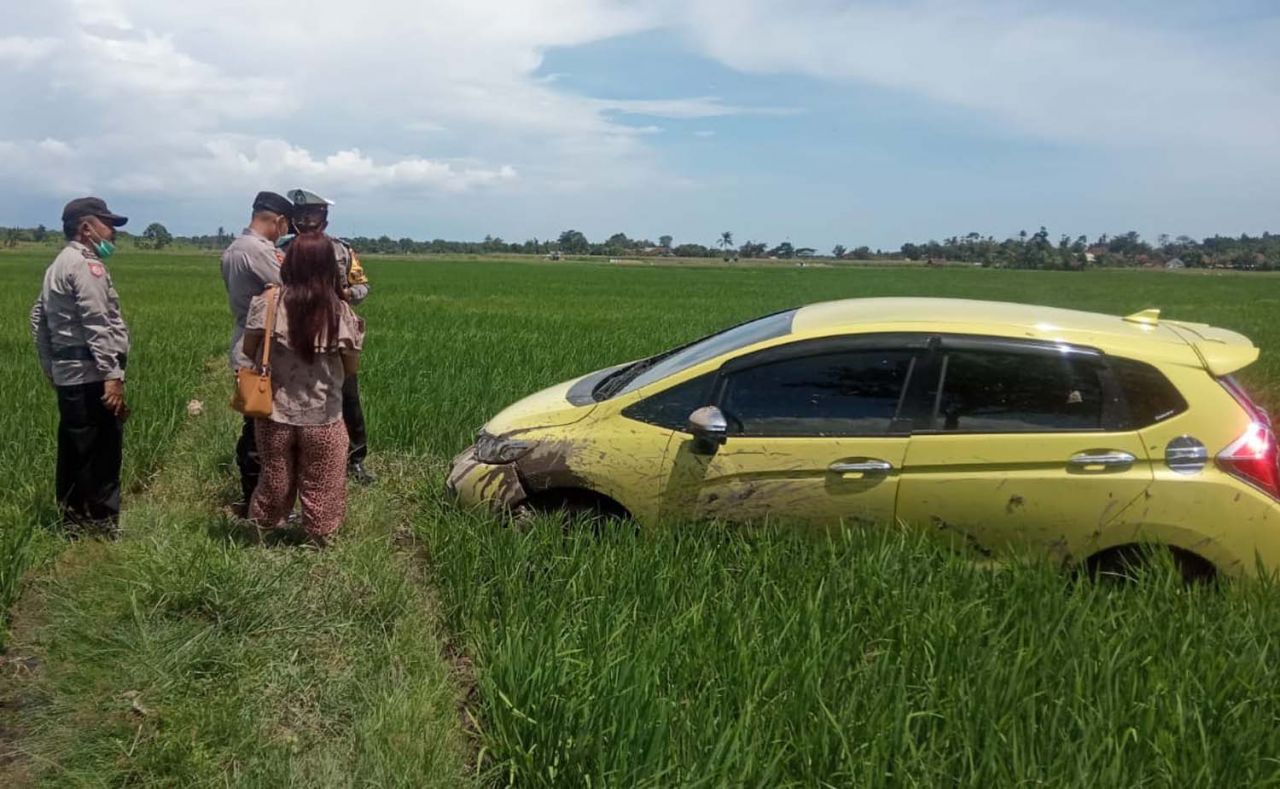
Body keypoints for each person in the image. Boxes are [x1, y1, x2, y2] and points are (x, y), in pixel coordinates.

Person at [242, 232, 364, 545]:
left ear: (289, 263)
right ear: (327, 267)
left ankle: (262, 536)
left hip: (274, 414)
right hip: (323, 416)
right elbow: (351, 368)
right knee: (323, 484)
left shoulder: (267, 302)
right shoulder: (339, 311)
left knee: (274, 480)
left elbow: (249, 349)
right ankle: (319, 542)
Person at [30, 197, 131, 536]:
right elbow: (96, 323)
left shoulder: (58, 263)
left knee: (75, 449)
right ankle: (101, 521)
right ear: (87, 229)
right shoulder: (86, 266)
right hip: (91, 375)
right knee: (102, 450)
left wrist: (50, 367)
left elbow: (37, 319)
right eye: (107, 225)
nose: (112, 233)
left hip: (70, 373)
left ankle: (73, 522)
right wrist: (112, 375)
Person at [285, 188, 376, 485]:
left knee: (348, 394)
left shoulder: (342, 250)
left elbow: (362, 285)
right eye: (301, 214)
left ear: (324, 217)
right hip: (292, 330)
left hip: (335, 331)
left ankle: (355, 459)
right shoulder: (283, 249)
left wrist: (348, 294)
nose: (305, 219)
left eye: (311, 213)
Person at [220, 191, 294, 510]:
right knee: (258, 431)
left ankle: (255, 498)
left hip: (248, 342)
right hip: (260, 348)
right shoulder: (258, 250)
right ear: (277, 221)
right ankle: (256, 501)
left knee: (256, 426)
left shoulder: (236, 247)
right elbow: (293, 288)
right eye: (285, 226)